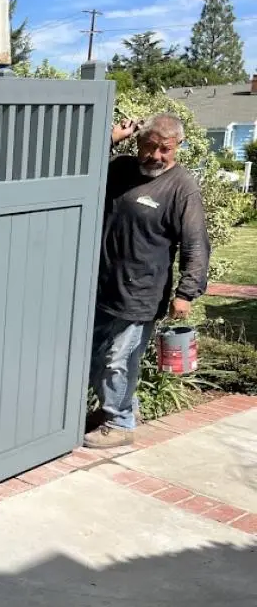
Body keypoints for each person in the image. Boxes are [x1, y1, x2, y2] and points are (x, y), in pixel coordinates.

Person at [86, 113, 211, 449]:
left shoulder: (182, 187)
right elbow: (81, 166)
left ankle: (120, 421)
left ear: (177, 147)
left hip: (142, 293)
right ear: (138, 142)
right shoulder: (123, 169)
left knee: (119, 359)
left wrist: (186, 292)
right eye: (149, 146)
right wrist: (113, 138)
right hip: (103, 287)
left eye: (164, 149)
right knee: (97, 357)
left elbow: (196, 242)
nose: (155, 155)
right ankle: (116, 409)